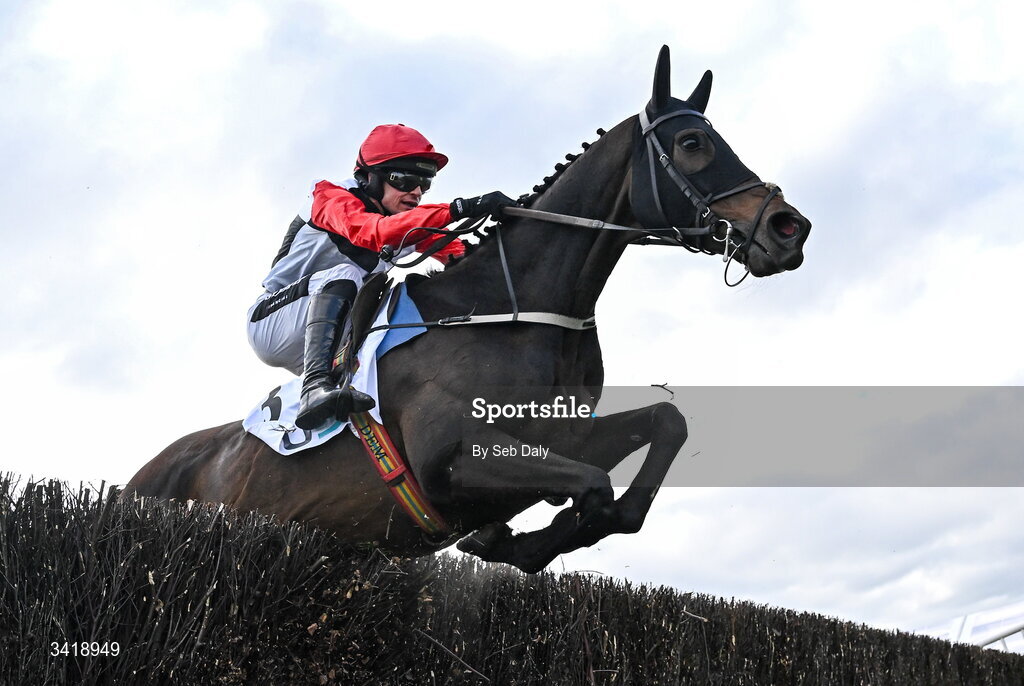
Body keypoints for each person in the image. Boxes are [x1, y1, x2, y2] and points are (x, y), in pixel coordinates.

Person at [247, 123, 515, 430]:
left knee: (403, 305)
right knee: (346, 274)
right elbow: (372, 232)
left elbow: (463, 260)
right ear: (370, 179)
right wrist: (460, 208)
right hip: (271, 321)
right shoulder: (330, 197)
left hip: (334, 334)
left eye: (425, 183)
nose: (416, 192)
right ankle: (314, 388)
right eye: (406, 180)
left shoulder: (411, 224)